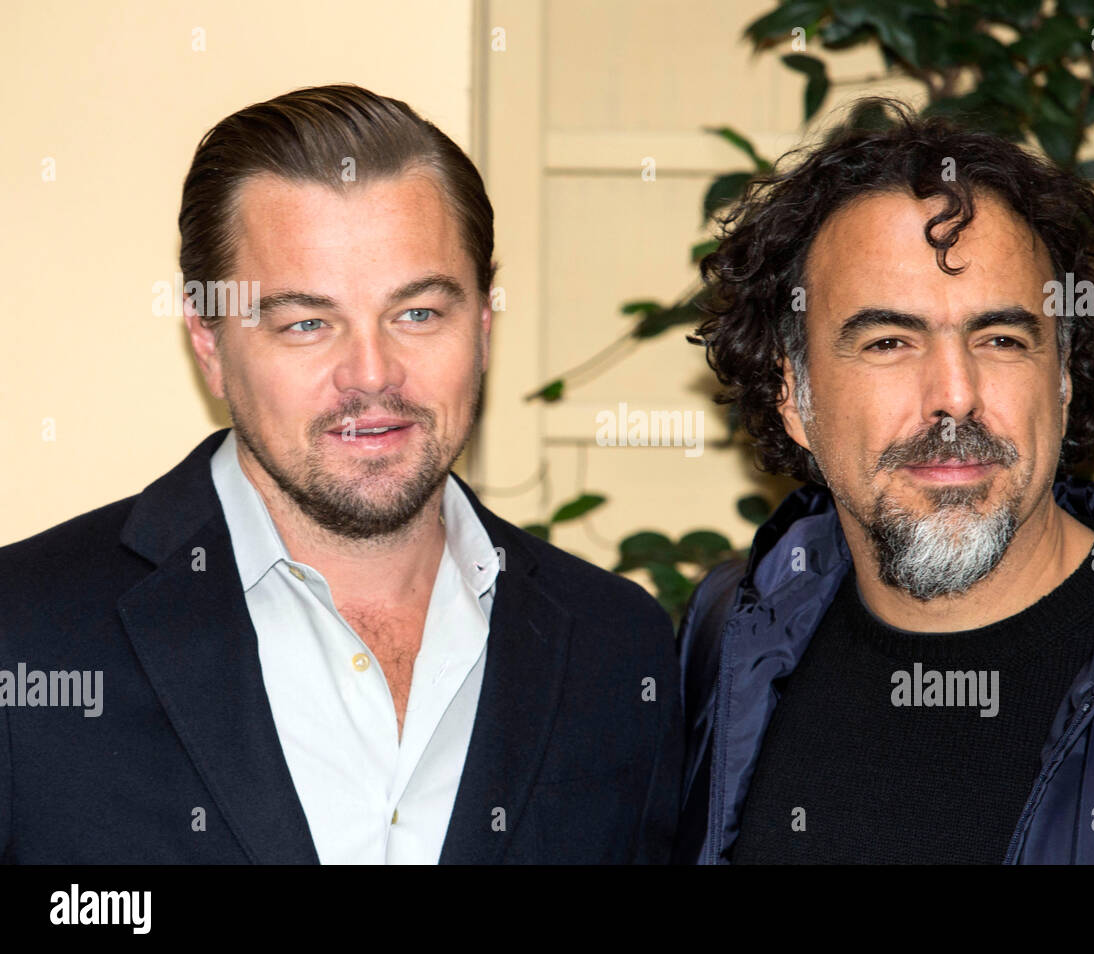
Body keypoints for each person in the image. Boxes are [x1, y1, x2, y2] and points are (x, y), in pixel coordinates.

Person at [0, 84, 681, 864]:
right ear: (209, 340)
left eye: (419, 313)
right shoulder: (24, 639)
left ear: (484, 325)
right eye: (306, 324)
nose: (371, 373)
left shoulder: (618, 649)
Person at [675, 98, 1094, 864]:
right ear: (794, 398)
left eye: (1001, 338)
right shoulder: (728, 645)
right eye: (889, 341)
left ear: (1064, 380)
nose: (955, 394)